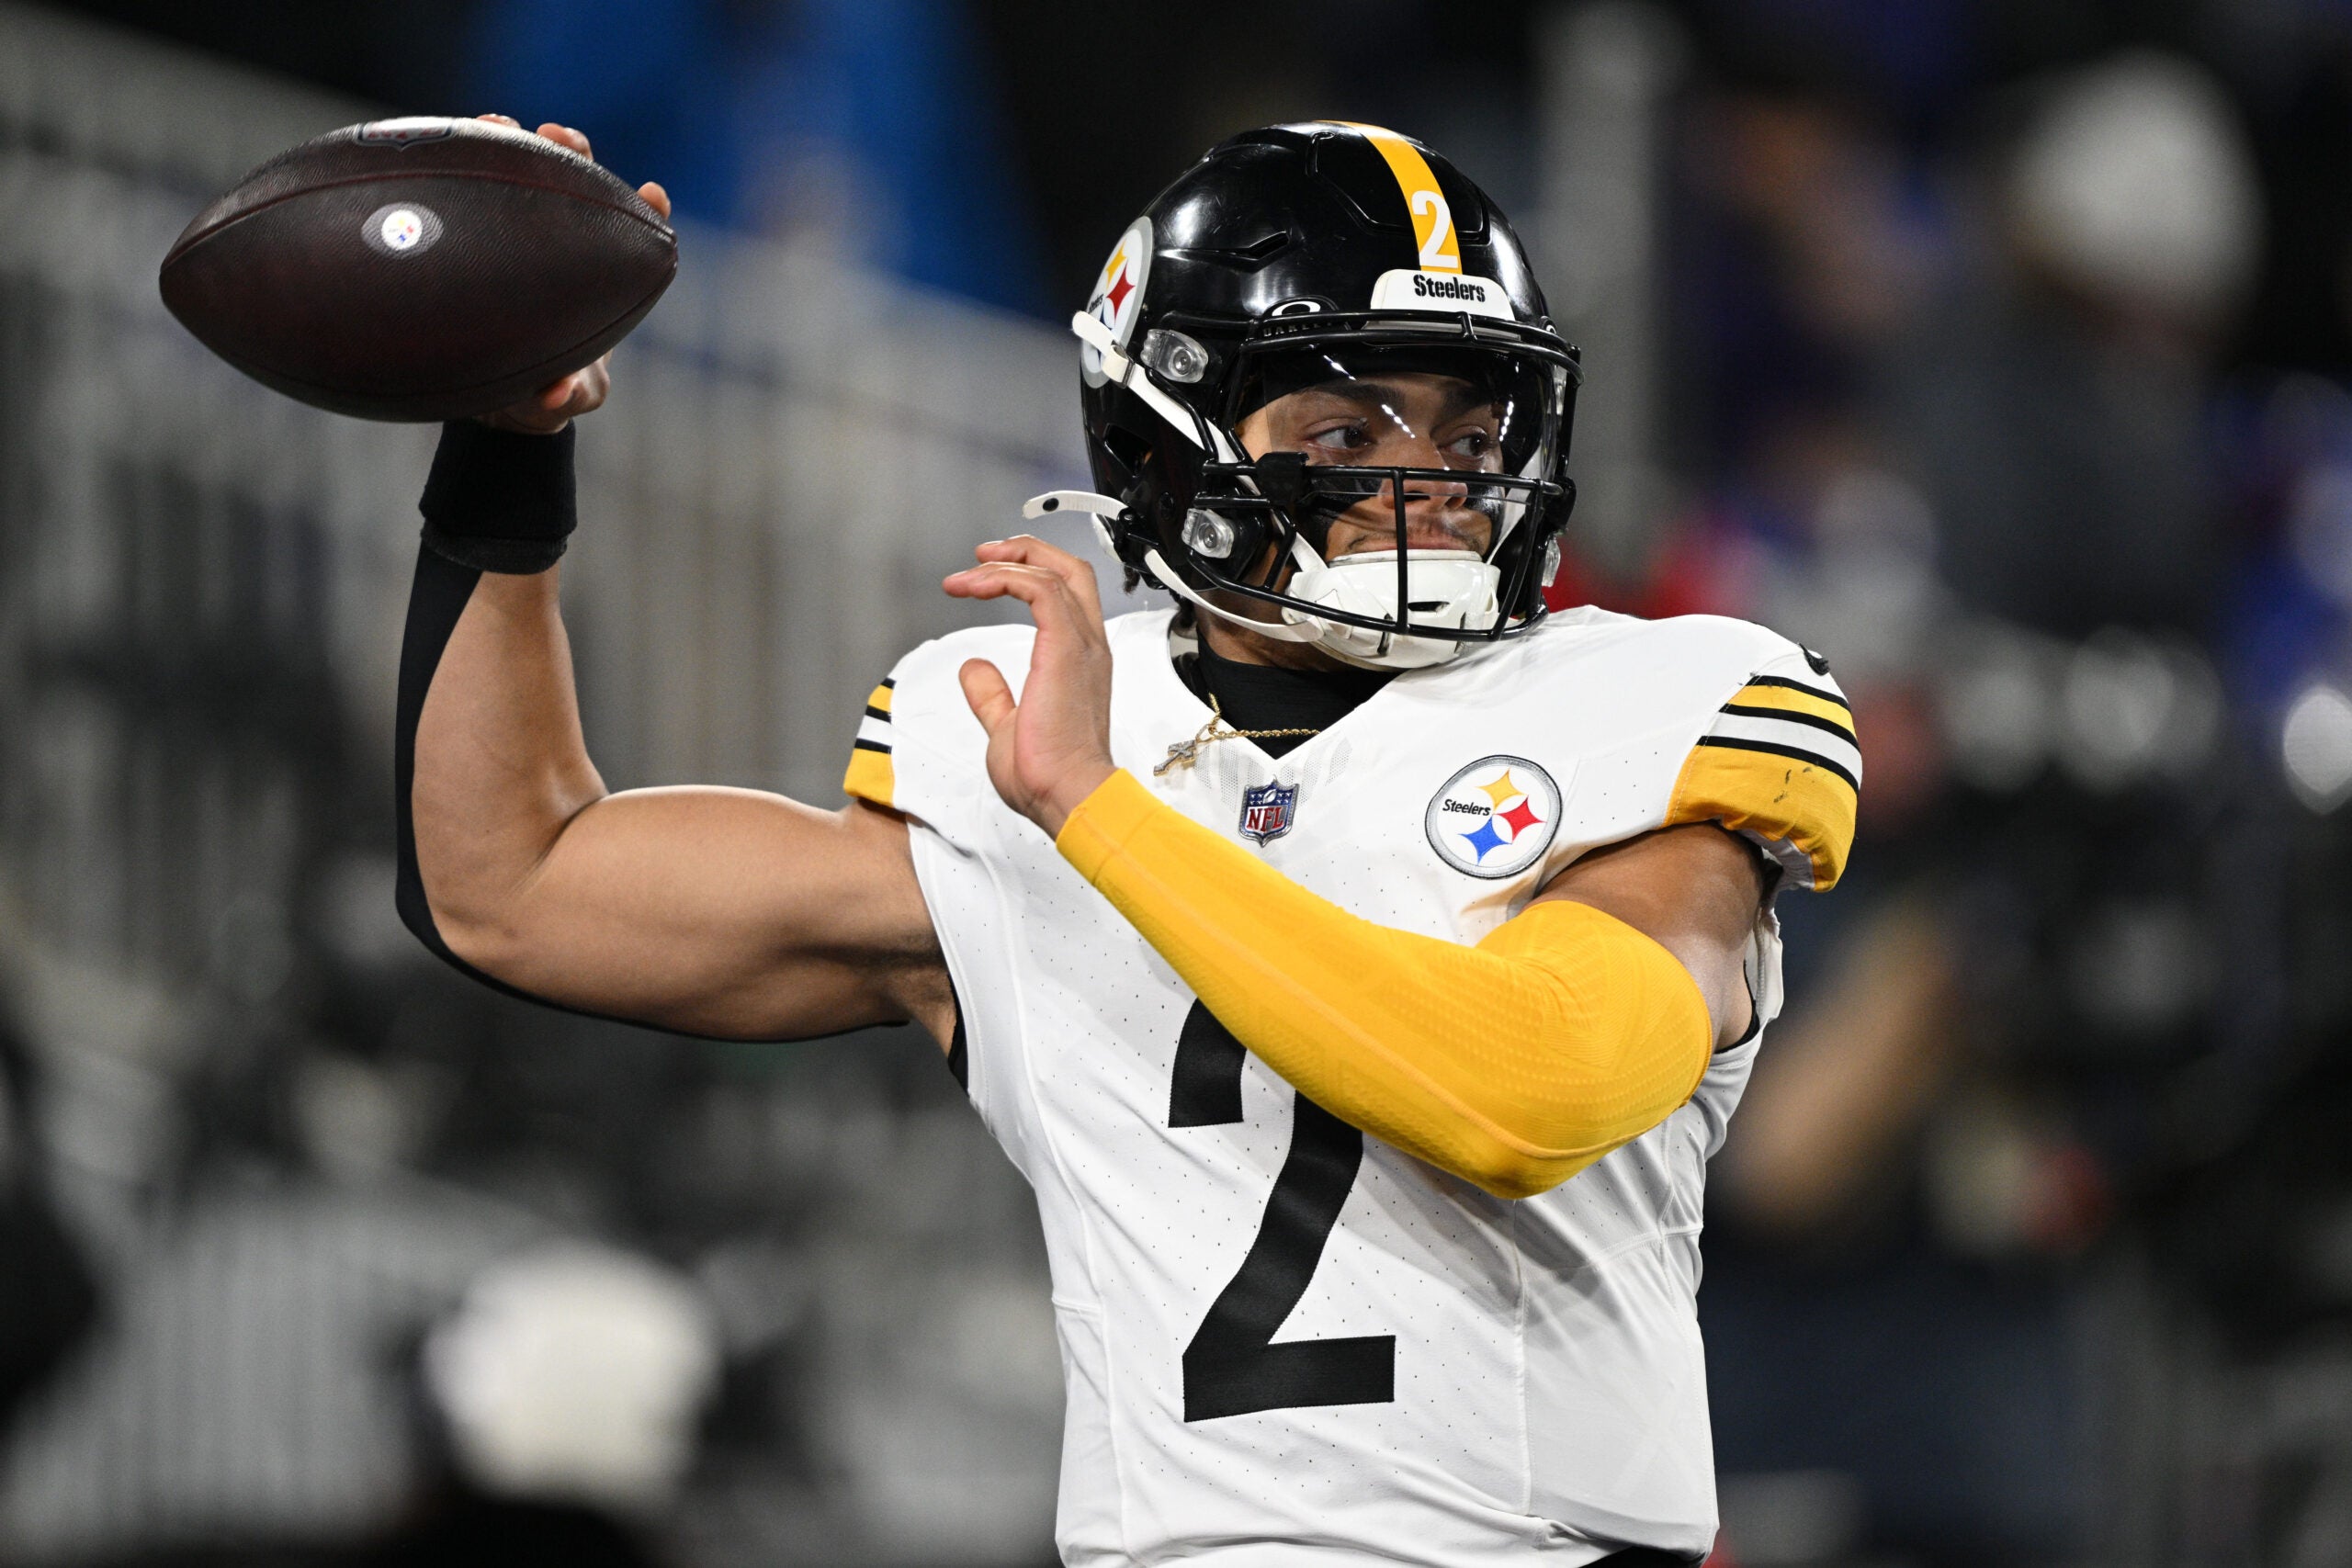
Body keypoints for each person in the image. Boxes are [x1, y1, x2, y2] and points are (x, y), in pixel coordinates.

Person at [397, 117, 1859, 1565]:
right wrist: (504, 456)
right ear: (1168, 436)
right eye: (1348, 430)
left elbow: (1527, 1089)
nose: (1429, 484)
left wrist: (1101, 813)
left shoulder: (1657, 699)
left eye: (1471, 432)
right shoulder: (1009, 744)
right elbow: (512, 887)